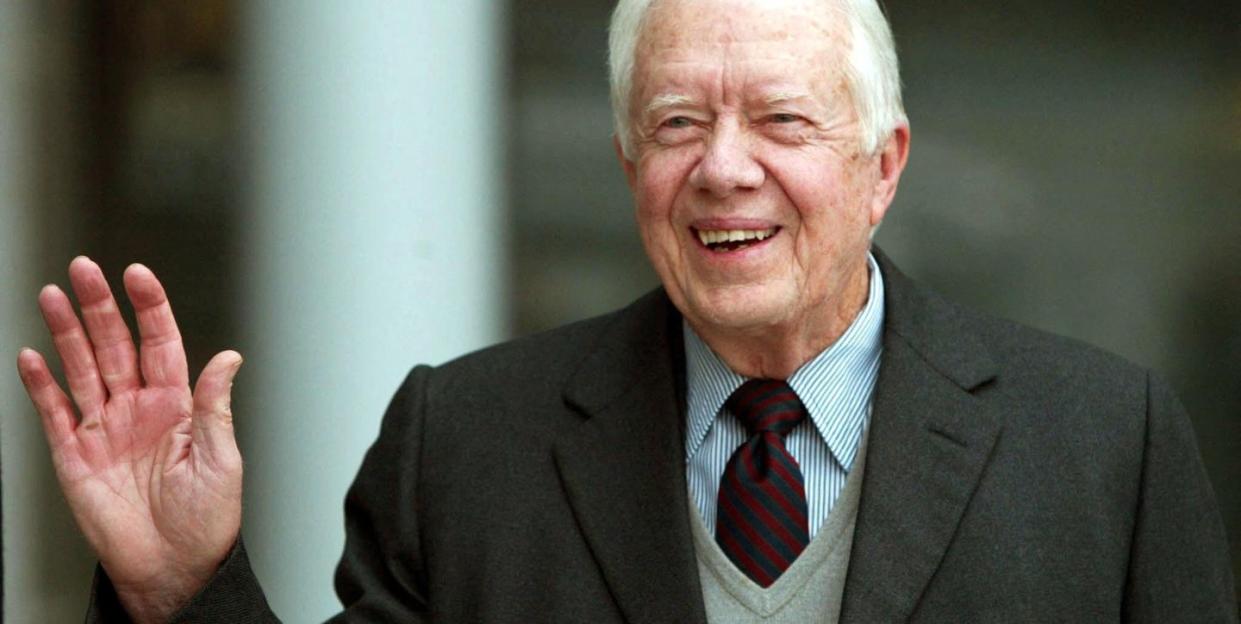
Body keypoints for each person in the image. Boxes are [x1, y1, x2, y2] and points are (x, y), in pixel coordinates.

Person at [17, 0, 1237, 621]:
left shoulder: (1100, 445)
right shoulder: (467, 445)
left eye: (781, 120)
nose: (721, 167)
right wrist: (184, 592)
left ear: (883, 165)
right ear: (626, 170)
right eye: (674, 124)